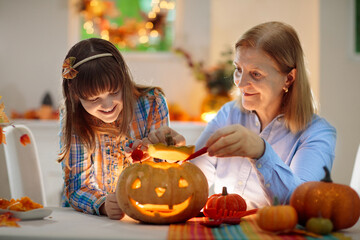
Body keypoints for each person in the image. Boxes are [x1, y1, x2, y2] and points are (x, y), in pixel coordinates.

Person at [191, 21, 336, 209]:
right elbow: (191, 180)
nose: (240, 84)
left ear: (289, 78)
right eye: (238, 70)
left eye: (256, 74)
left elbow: (302, 204)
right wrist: (165, 156)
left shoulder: (317, 133)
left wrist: (261, 152)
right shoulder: (228, 114)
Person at [58, 38, 184, 219]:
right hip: (87, 220)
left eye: (114, 92)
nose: (107, 105)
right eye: (94, 99)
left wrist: (173, 152)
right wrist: (103, 204)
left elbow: (163, 172)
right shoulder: (74, 118)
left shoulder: (152, 103)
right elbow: (77, 187)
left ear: (123, 79)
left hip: (142, 213)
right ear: (75, 95)